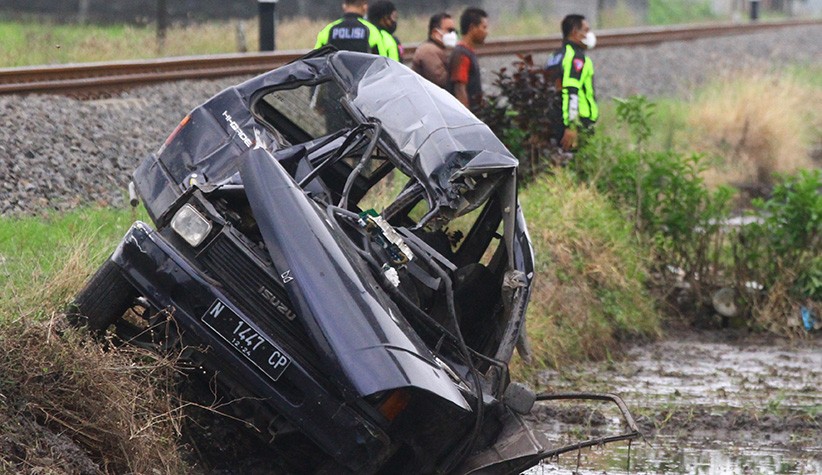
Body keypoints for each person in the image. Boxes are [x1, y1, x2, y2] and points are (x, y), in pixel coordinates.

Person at [545, 14, 599, 151]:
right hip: (577, 122)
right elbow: (572, 91)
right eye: (586, 30)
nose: (589, 35)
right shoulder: (576, 57)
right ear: (575, 32)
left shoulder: (555, 56)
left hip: (554, 119)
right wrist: (572, 126)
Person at [446, 8, 489, 112]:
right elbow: (460, 88)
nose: (487, 32)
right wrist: (468, 120)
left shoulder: (467, 52)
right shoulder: (462, 54)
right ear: (472, 28)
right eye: (484, 27)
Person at [314, 0, 386, 57]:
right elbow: (383, 61)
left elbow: (315, 59)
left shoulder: (328, 29)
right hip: (363, 75)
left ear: (344, 6)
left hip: (333, 75)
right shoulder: (371, 30)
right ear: (364, 7)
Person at [412, 12, 458, 88]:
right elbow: (442, 81)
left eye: (454, 31)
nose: (453, 34)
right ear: (435, 33)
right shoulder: (428, 51)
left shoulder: (439, 49)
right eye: (449, 30)